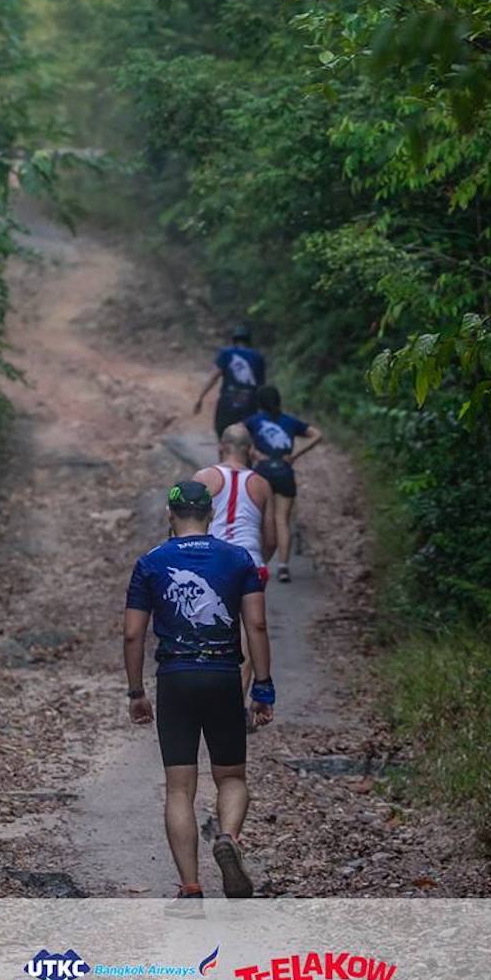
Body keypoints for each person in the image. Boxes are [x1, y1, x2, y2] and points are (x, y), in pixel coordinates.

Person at [123, 480, 275, 911]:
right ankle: (227, 837)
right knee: (231, 777)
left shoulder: (151, 562)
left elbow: (133, 632)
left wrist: (136, 691)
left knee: (179, 788)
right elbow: (257, 626)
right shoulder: (237, 558)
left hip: (176, 679)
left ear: (170, 516)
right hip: (225, 677)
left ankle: (190, 889)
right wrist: (262, 685)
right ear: (210, 516)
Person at [192, 423, 276, 719]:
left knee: (203, 627)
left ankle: (199, 698)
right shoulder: (262, 484)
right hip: (249, 564)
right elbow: (271, 539)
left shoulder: (204, 478)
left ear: (220, 447)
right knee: (249, 630)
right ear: (250, 451)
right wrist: (259, 561)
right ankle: (234, 704)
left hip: (208, 563)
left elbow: (187, 525)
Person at [244, 386, 322, 583]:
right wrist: (295, 455)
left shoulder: (254, 421)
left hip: (262, 473)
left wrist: (254, 453)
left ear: (260, 402)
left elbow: (237, 434)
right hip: (284, 472)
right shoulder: (290, 421)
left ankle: (258, 564)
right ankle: (283, 566)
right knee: (282, 521)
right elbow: (317, 434)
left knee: (261, 521)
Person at [193, 325, 266, 439]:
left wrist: (200, 397)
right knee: (246, 438)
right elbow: (261, 387)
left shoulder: (226, 353)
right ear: (249, 340)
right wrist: (264, 410)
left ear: (234, 340)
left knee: (222, 434)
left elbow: (214, 377)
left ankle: (224, 454)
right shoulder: (258, 357)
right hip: (249, 404)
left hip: (228, 401)